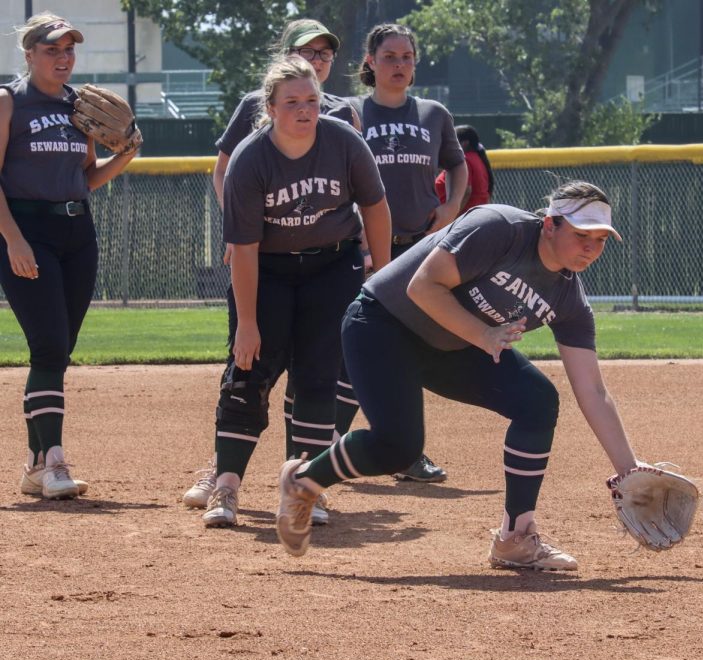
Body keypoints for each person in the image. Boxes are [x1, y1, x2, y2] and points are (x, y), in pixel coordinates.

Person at [275, 180, 641, 571]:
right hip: (382, 323)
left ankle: (514, 538)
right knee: (398, 447)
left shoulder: (569, 299)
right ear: (550, 224)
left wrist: (629, 472)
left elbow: (593, 390)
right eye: (581, 234)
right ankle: (305, 479)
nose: (590, 247)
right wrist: (484, 335)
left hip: (453, 345)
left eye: (600, 239)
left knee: (537, 402)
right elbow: (423, 286)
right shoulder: (498, 227)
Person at [200, 56, 390, 528]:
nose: (305, 111)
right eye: (292, 103)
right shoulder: (251, 156)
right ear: (270, 107)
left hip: (332, 266)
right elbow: (243, 248)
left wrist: (383, 280)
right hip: (268, 270)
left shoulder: (342, 140)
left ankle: (304, 488)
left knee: (317, 377)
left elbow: (376, 205)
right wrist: (246, 323)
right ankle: (225, 487)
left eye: (311, 101)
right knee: (248, 372)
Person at [0, 13, 139, 499]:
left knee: (58, 351)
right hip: (27, 228)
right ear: (30, 54)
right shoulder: (9, 102)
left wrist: (125, 155)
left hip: (77, 230)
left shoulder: (78, 107)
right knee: (50, 344)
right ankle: (54, 460)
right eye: (52, 49)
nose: (63, 58)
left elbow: (86, 178)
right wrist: (13, 239)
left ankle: (37, 465)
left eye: (68, 50)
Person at [344, 22, 469, 483]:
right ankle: (324, 450)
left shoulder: (433, 113)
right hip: (364, 249)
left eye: (407, 57)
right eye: (390, 56)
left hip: (418, 248)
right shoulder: (351, 112)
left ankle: (406, 452)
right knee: (353, 345)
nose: (399, 65)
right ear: (370, 62)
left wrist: (452, 205)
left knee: (406, 349)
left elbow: (457, 164)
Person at [435, 124, 494, 214]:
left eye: (453, 141)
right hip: (472, 216)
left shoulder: (464, 160)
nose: (449, 144)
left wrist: (452, 218)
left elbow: (466, 191)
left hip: (462, 218)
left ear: (465, 143)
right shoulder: (476, 158)